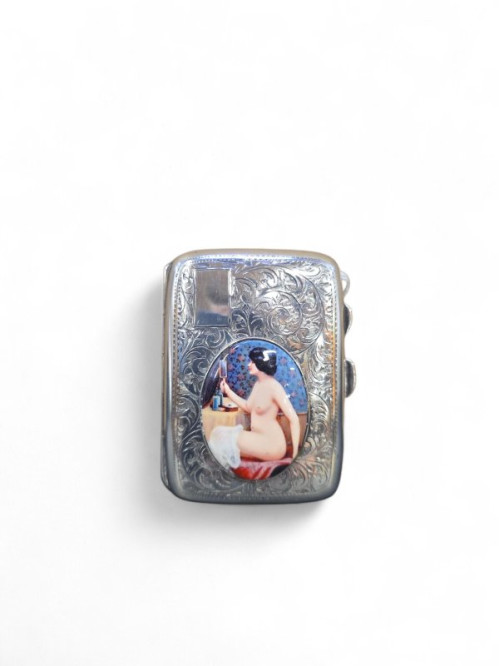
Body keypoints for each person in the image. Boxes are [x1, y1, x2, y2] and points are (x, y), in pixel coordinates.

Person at [208, 347, 300, 470]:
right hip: (259, 437)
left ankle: (217, 474)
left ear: (261, 364)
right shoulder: (258, 384)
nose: (249, 364)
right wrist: (228, 391)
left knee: (222, 440)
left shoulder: (274, 387)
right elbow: (248, 407)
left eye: (252, 362)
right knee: (218, 433)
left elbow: (294, 419)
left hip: (272, 443)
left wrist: (295, 454)